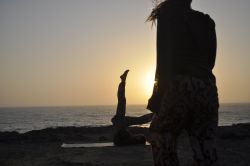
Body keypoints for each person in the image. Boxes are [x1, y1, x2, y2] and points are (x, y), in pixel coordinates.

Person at [146, 0, 219, 166]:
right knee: (205, 144)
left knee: (161, 135)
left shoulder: (167, 15)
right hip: (207, 87)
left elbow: (164, 60)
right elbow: (210, 63)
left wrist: (157, 97)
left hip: (179, 85)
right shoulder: (207, 21)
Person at [112, 70, 153, 146]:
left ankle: (123, 81)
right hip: (121, 123)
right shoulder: (129, 139)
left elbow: (119, 137)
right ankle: (123, 81)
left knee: (122, 101)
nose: (137, 135)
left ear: (138, 140)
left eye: (139, 137)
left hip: (120, 123)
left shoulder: (127, 140)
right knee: (140, 119)